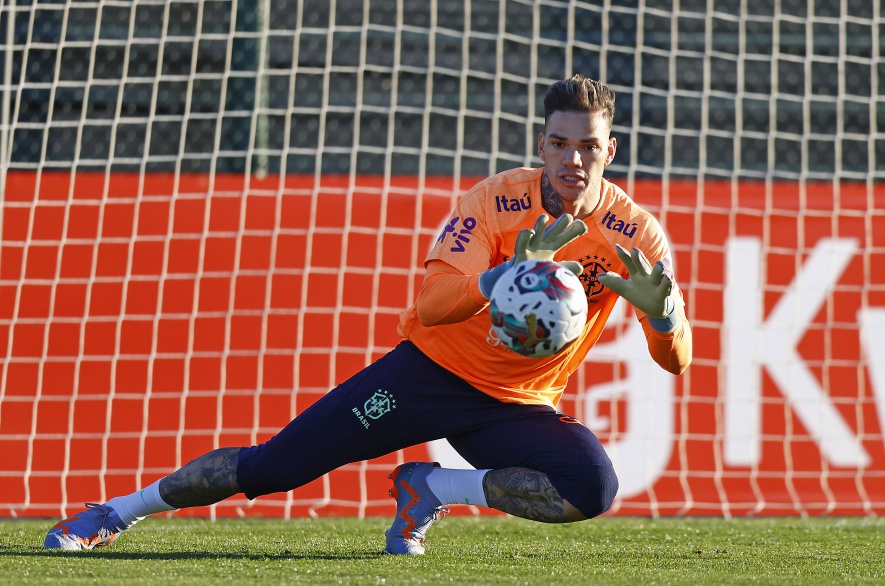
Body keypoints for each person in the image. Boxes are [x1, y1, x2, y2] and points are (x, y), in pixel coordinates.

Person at [44, 74, 692, 555]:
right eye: (559, 144)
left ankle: (432, 488)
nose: (572, 160)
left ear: (612, 148)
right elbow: (432, 306)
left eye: (588, 147)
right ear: (542, 143)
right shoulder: (496, 200)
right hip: (426, 376)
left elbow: (676, 360)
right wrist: (499, 277)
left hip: (516, 403)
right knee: (274, 468)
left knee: (590, 486)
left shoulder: (634, 235)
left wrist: (664, 320)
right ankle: (112, 511)